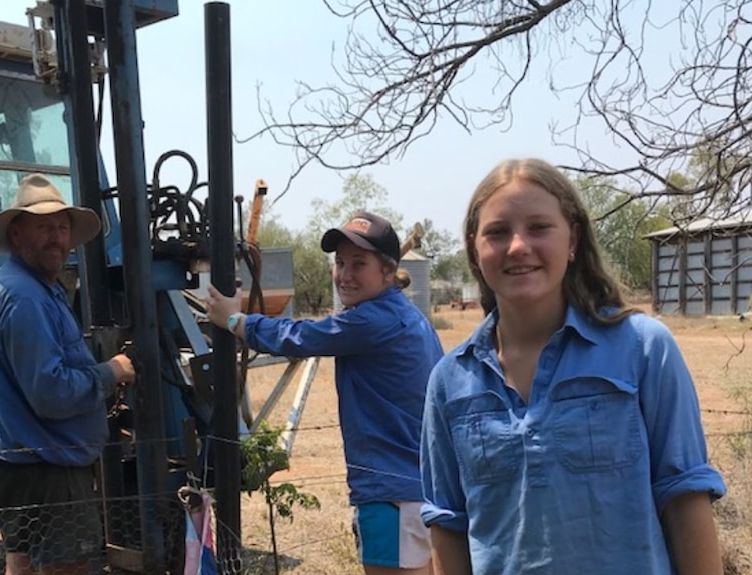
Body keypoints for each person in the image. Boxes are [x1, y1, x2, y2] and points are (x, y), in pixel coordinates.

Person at [420, 158, 726, 575]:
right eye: (497, 232)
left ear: (573, 240)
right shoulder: (450, 382)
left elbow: (684, 495)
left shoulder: (643, 350)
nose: (517, 246)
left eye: (539, 227)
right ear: (475, 248)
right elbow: (448, 525)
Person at [207, 211, 443, 575]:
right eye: (340, 262)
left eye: (358, 264)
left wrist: (236, 321)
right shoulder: (408, 316)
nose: (345, 275)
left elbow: (302, 337)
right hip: (418, 487)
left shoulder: (372, 320)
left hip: (390, 493)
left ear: (386, 271)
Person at [0, 174, 136, 575]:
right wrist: (112, 371)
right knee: (69, 567)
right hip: (45, 466)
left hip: (18, 462)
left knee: (22, 564)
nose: (56, 238)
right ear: (16, 232)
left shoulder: (27, 286)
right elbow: (51, 393)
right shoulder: (23, 297)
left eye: (62, 228)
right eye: (43, 227)